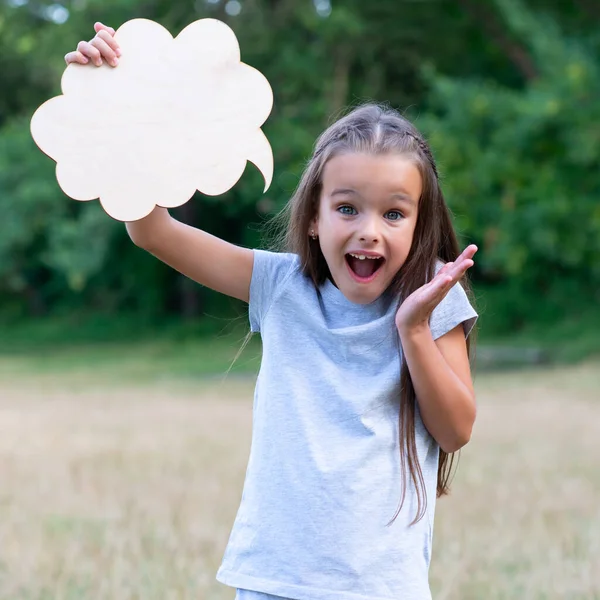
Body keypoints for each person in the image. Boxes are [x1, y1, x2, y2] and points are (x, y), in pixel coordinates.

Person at [65, 22, 479, 600]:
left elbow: (456, 430)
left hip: (381, 587)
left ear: (419, 223)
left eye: (393, 213)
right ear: (314, 216)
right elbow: (151, 231)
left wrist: (411, 330)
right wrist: (127, 98)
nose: (368, 231)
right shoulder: (280, 286)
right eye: (346, 207)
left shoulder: (433, 298)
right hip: (273, 581)